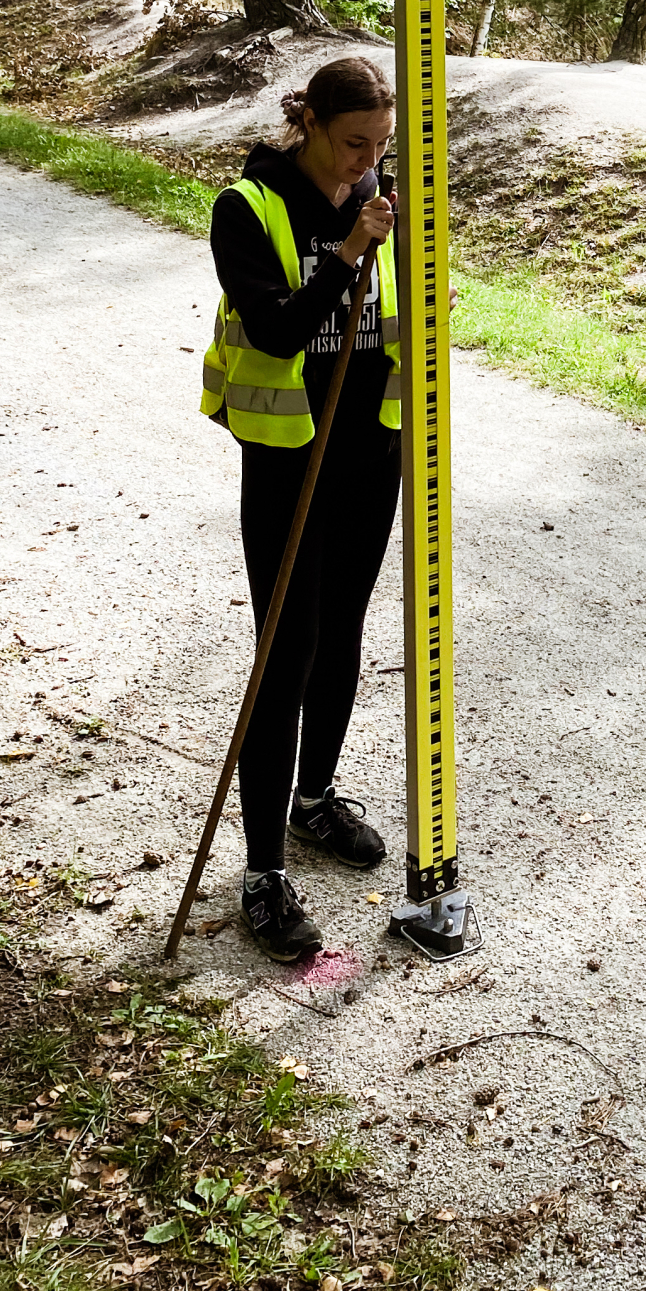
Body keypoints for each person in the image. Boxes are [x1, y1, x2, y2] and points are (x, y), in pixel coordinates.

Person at [200, 52, 402, 961]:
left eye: (381, 146)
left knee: (346, 635)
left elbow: (402, 321)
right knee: (288, 652)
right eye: (355, 142)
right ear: (311, 122)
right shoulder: (249, 208)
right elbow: (279, 327)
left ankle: (314, 798)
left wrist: (384, 242)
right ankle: (263, 872)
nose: (368, 160)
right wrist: (349, 253)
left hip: (369, 453)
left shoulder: (383, 204)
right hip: (288, 460)